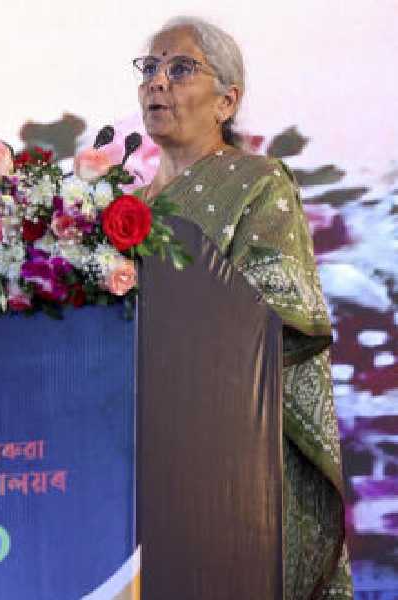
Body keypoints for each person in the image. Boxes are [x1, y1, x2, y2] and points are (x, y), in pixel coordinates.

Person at [133, 16, 352, 600]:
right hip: (131, 455)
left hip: (224, 455)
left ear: (226, 100)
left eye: (180, 69)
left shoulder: (257, 182)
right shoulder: (119, 206)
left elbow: (282, 307)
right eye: (150, 68)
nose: (158, 82)